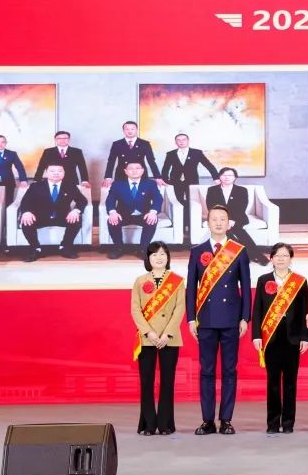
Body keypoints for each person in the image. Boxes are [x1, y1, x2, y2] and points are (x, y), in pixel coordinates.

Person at [187, 205, 251, 435]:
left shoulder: (238, 250)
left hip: (231, 320)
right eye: (214, 219)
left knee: (229, 371)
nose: (218, 223)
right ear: (208, 223)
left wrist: (245, 317)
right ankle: (207, 420)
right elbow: (191, 289)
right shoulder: (197, 251)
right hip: (205, 320)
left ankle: (226, 420)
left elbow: (246, 286)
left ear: (228, 223)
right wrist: (191, 319)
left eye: (222, 219)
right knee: (207, 371)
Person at [252, 243, 308, 434]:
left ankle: (288, 423)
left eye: (285, 255)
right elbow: (258, 309)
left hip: (293, 337)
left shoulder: (299, 281)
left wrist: (305, 337)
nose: (281, 259)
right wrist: (256, 335)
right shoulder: (263, 280)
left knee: (291, 382)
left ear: (291, 259)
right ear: (271, 258)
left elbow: (305, 311)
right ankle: (272, 423)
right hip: (271, 337)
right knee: (273, 382)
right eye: (277, 255)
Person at [131, 242, 186, 436]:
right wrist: (149, 332)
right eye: (154, 255)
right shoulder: (140, 281)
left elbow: (180, 308)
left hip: (169, 338)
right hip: (148, 338)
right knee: (146, 381)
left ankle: (165, 424)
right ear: (148, 258)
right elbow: (135, 309)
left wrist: (167, 333)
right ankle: (148, 424)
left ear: (168, 257)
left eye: (163, 254)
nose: (159, 258)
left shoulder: (177, 281)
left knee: (167, 381)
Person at [18, 164, 88, 261]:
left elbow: (82, 200)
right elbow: (25, 202)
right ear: (46, 173)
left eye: (59, 171)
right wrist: (26, 212)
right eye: (52, 171)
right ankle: (35, 248)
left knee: (76, 219)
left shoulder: (70, 186)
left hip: (62, 216)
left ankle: (65, 247)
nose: (56, 173)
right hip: (40, 217)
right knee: (26, 221)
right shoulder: (36, 186)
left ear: (64, 173)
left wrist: (76, 210)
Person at [203, 167, 268, 264]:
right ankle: (253, 255)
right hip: (218, 218)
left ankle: (247, 255)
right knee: (227, 230)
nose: (227, 177)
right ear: (219, 177)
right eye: (224, 175)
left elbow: (241, 207)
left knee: (237, 230)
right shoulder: (212, 190)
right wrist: (225, 220)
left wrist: (232, 220)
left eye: (230, 175)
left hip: (238, 217)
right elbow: (211, 206)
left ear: (235, 177)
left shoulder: (242, 190)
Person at [161, 133, 219, 243]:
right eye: (178, 140)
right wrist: (165, 181)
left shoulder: (196, 153)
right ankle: (181, 228)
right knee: (178, 204)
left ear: (188, 141)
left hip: (192, 181)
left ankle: (190, 227)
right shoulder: (171, 154)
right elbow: (165, 169)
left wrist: (216, 177)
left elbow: (208, 165)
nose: (181, 141)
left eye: (183, 139)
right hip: (175, 182)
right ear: (175, 142)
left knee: (191, 203)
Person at [105, 161, 162, 259]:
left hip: (143, 214)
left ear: (142, 170)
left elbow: (158, 199)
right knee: (112, 221)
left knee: (152, 220)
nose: (134, 171)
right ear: (125, 171)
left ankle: (143, 249)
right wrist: (113, 212)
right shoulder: (117, 184)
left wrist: (153, 212)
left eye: (137, 168)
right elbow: (110, 199)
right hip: (123, 215)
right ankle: (118, 248)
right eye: (131, 168)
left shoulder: (150, 184)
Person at [104, 121, 161, 186]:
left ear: (136, 130)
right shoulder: (117, 144)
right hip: (122, 175)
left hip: (140, 174)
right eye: (127, 129)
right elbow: (111, 161)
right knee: (121, 192)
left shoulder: (144, 143)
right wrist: (108, 177)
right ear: (123, 131)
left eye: (132, 129)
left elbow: (151, 161)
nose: (130, 131)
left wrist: (157, 177)